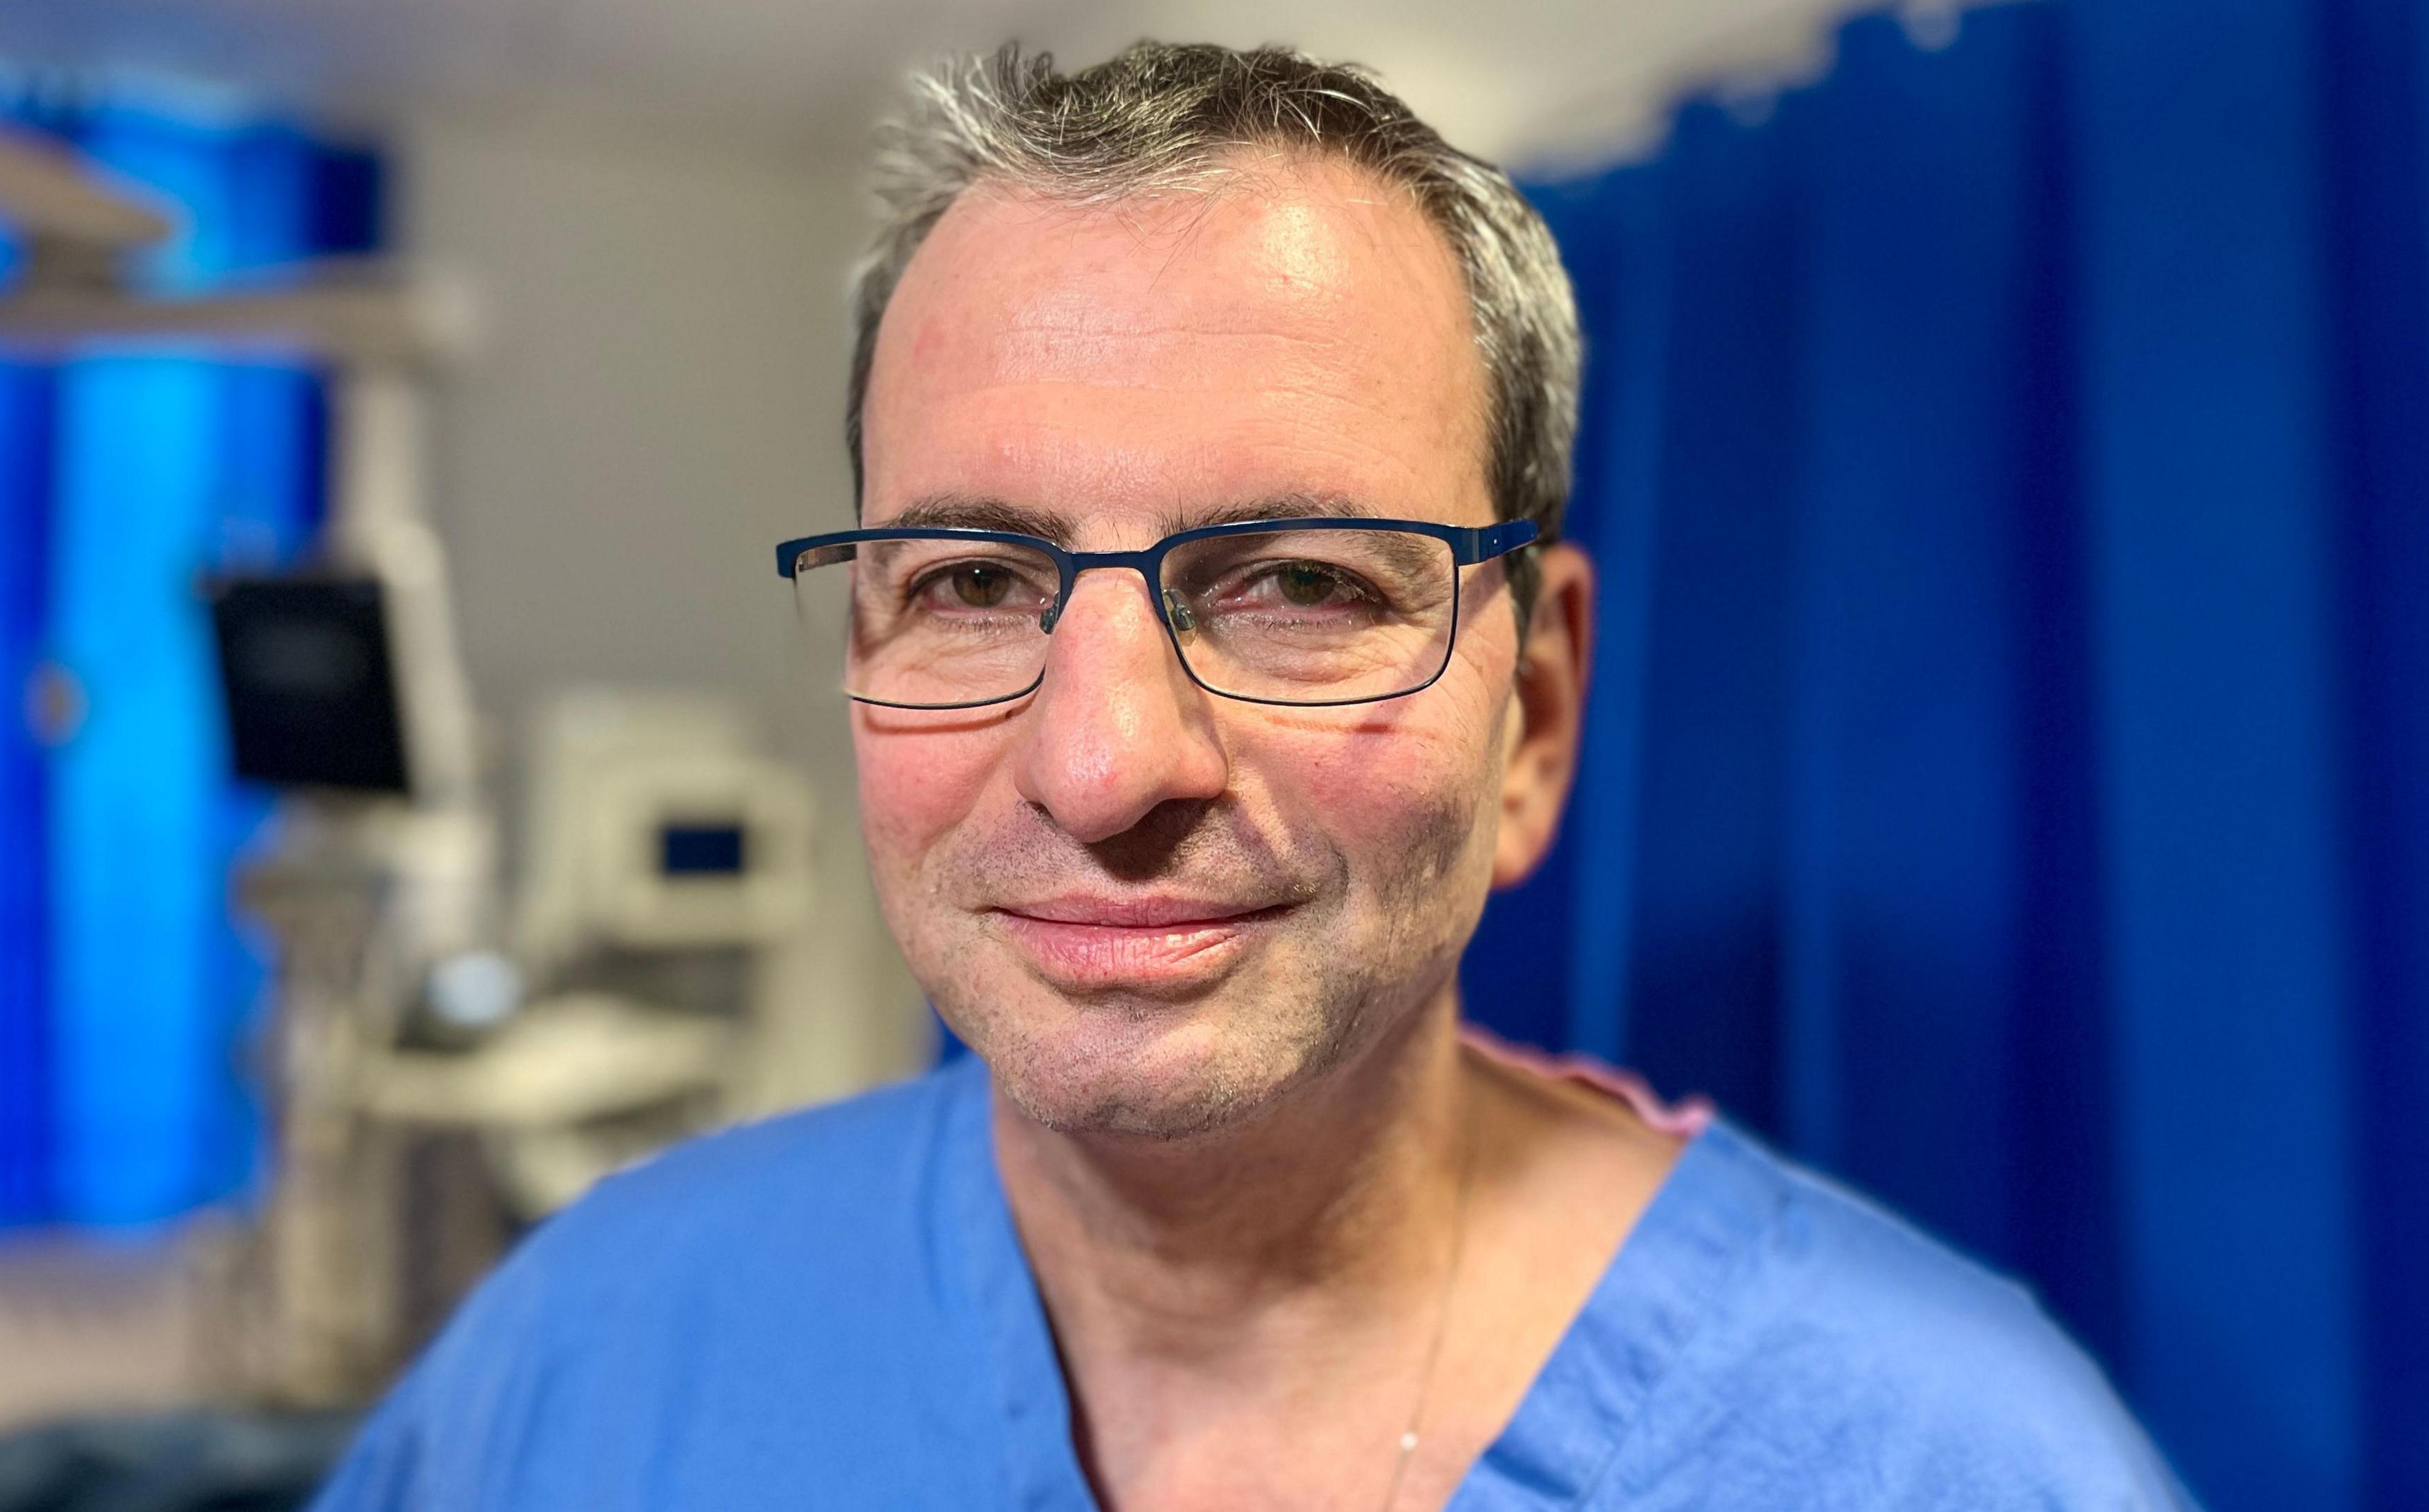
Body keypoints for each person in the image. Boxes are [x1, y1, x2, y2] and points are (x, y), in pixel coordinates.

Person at [311, 42, 2194, 1511]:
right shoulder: (586, 1352)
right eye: (973, 582)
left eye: (1297, 584)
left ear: (1532, 717)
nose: (1104, 760)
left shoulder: (1948, 1462)